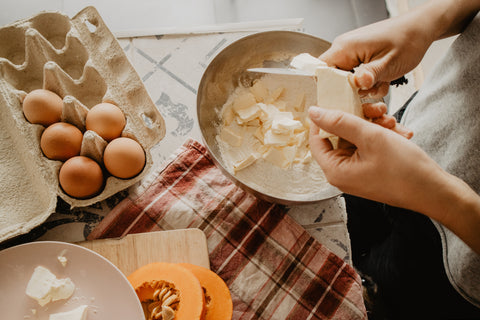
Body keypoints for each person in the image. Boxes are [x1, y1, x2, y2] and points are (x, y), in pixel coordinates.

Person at [307, 0, 480, 318]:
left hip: (456, 266)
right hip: (415, 133)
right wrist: (429, 21)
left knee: (384, 300)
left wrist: (443, 198)